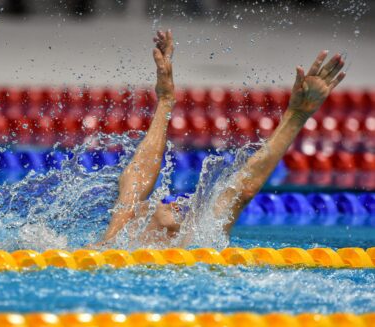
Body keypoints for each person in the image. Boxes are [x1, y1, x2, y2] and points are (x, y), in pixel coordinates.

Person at [98, 29, 346, 247]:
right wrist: (165, 100)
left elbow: (242, 188)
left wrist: (297, 114)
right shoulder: (115, 240)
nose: (177, 202)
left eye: (170, 202)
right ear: (137, 220)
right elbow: (138, 176)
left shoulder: (196, 244)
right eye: (162, 202)